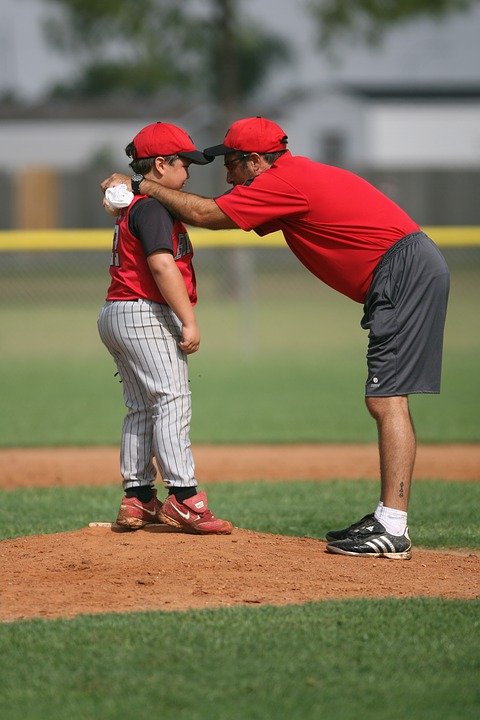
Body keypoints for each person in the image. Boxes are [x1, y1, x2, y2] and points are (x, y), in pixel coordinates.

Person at [101, 116, 450, 559]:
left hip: (403, 272)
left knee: (387, 398)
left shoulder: (284, 181)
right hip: (404, 269)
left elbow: (209, 213)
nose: (226, 174)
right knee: (385, 397)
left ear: (254, 161)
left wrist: (142, 187)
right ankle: (388, 518)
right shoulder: (292, 177)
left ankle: (393, 526)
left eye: (231, 163)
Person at [98, 121, 233, 535]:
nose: (188, 173)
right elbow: (161, 264)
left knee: (142, 406)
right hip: (143, 311)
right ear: (160, 164)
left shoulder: (138, 205)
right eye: (183, 164)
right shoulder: (153, 207)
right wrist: (189, 320)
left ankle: (137, 498)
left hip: (116, 311)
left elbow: (117, 194)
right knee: (172, 399)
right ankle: (184, 497)